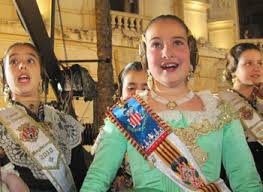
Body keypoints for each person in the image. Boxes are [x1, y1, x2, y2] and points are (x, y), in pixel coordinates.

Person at [81, 15, 262, 192]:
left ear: (190, 51)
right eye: (156, 44)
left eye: (177, 42)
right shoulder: (128, 113)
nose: (167, 52)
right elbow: (97, 180)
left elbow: (247, 182)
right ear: (145, 55)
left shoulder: (220, 110)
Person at [0, 42, 87, 191]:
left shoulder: (66, 124)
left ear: (41, 72)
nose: (22, 66)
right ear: (3, 76)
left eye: (30, 60)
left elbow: (82, 178)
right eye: (14, 61)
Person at [92, 61, 148, 191]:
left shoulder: (162, 127)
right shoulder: (112, 127)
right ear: (120, 92)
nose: (138, 94)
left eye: (145, 88)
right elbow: (99, 176)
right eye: (131, 88)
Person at [218, 43, 263, 181]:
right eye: (248, 63)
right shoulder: (220, 101)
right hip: (237, 177)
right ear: (233, 70)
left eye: (260, 63)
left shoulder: (260, 105)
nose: (257, 68)